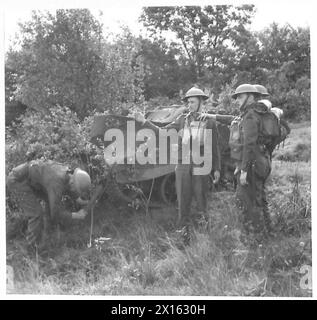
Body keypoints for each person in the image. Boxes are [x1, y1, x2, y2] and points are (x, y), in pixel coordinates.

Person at [134, 87, 221, 226]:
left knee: (201, 200)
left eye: (192, 102)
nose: (189, 105)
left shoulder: (209, 121)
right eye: (188, 102)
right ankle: (183, 231)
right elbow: (162, 132)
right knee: (183, 200)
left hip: (201, 165)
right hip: (183, 165)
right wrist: (145, 122)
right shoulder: (182, 120)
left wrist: (217, 168)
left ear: (200, 102)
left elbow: (214, 146)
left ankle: (204, 231)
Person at [200, 84, 273, 242]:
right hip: (260, 161)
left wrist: (244, 170)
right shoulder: (252, 114)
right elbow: (233, 121)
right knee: (258, 198)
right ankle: (268, 233)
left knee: (245, 200)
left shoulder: (251, 115)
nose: (237, 100)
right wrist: (212, 116)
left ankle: (254, 237)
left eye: (240, 97)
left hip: (252, 163)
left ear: (251, 97)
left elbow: (249, 145)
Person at [6, 159, 91, 248]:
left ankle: (47, 239)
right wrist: (76, 215)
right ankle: (30, 249)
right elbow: (55, 214)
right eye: (76, 189)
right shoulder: (56, 183)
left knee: (49, 206)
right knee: (36, 213)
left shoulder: (67, 173)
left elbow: (68, 186)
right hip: (17, 181)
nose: (75, 191)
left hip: (31, 180)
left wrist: (80, 200)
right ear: (73, 181)